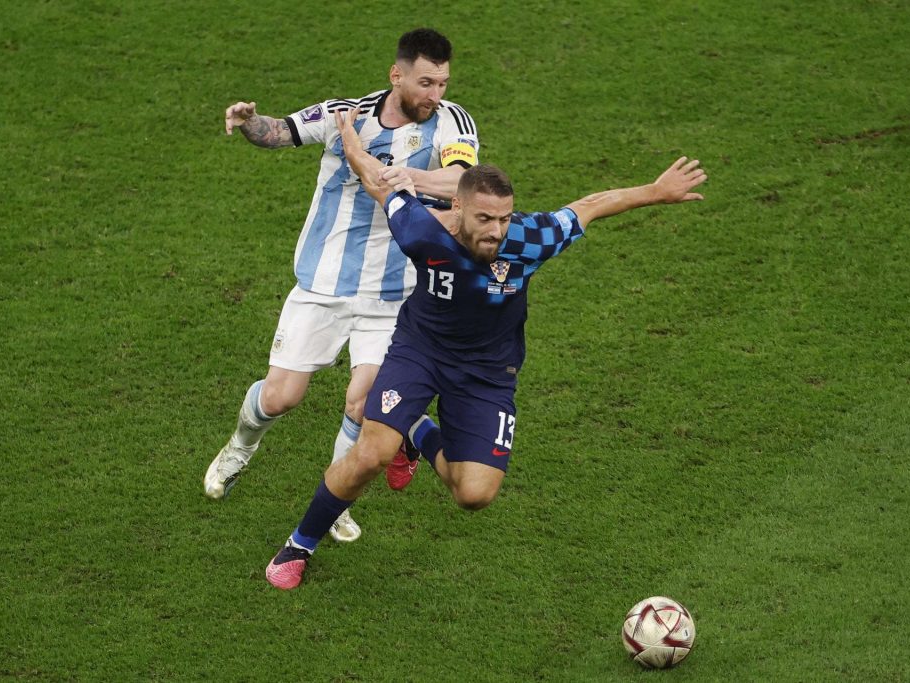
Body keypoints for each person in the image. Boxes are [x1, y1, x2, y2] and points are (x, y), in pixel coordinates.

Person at [264, 106, 708, 589]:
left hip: (487, 374)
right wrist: (350, 139)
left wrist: (656, 192)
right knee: (370, 455)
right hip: (421, 353)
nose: (496, 230)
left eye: (503, 218)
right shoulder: (422, 230)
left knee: (473, 494)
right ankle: (300, 544)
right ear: (457, 208)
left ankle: (416, 428)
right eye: (484, 219)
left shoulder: (528, 239)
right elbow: (378, 181)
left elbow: (590, 205)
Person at [205, 29, 480, 543]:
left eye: (442, 83)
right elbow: (279, 131)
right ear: (396, 76)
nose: (435, 95)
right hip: (322, 285)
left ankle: (335, 501)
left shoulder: (451, 122)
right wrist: (247, 121)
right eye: (425, 83)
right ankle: (240, 447)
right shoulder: (344, 115)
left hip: (395, 295)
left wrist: (396, 178)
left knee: (364, 402)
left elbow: (462, 181)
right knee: (282, 397)